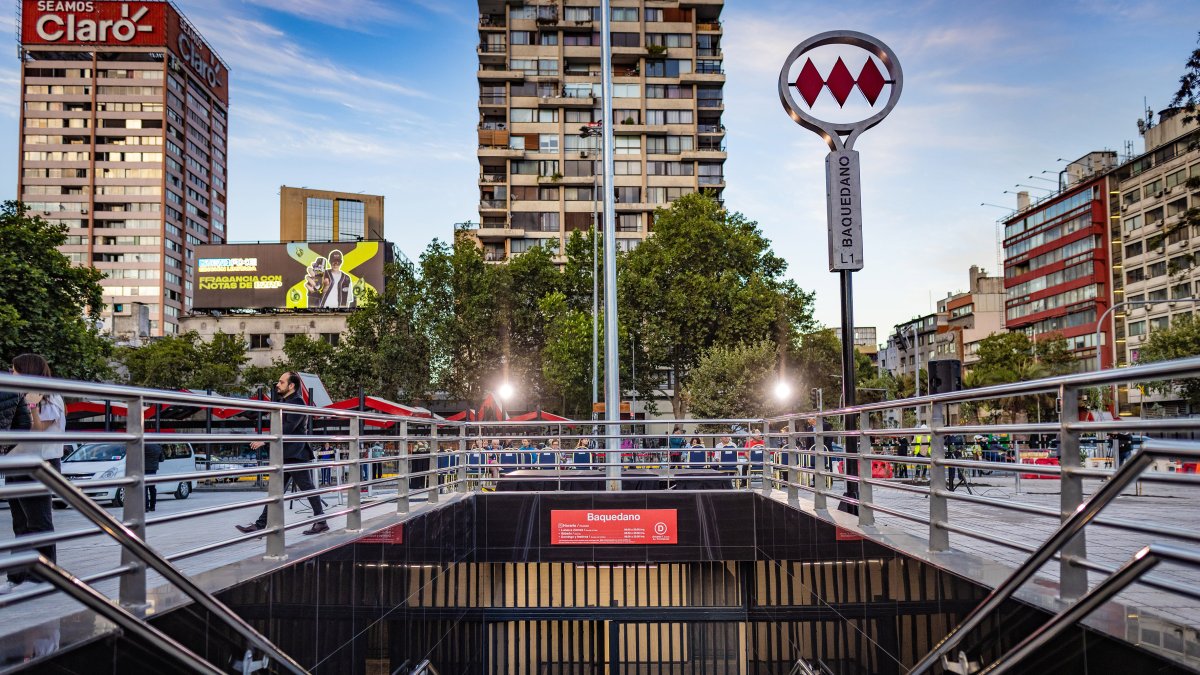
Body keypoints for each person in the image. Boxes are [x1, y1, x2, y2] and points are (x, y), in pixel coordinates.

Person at [2, 354, 66, 594]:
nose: (11, 372)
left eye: (15, 369)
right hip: (16, 463)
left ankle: (45, 575)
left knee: (38, 522)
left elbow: (37, 432)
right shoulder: (18, 395)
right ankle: (17, 576)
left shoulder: (51, 398)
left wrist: (31, 406)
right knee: (20, 522)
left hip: (40, 465)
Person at [237, 372, 328, 536]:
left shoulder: (298, 402)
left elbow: (288, 428)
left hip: (296, 454)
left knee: (306, 488)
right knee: (276, 490)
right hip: (286, 454)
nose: (277, 384)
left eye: (281, 382)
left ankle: (321, 521)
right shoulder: (285, 401)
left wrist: (266, 440)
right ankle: (260, 524)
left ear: (291, 385)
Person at [144, 443, 164, 512]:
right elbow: (162, 459)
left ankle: (146, 507)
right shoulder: (158, 447)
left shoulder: (144, 446)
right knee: (152, 488)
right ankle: (152, 506)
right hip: (153, 469)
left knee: (145, 488)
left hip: (145, 469)